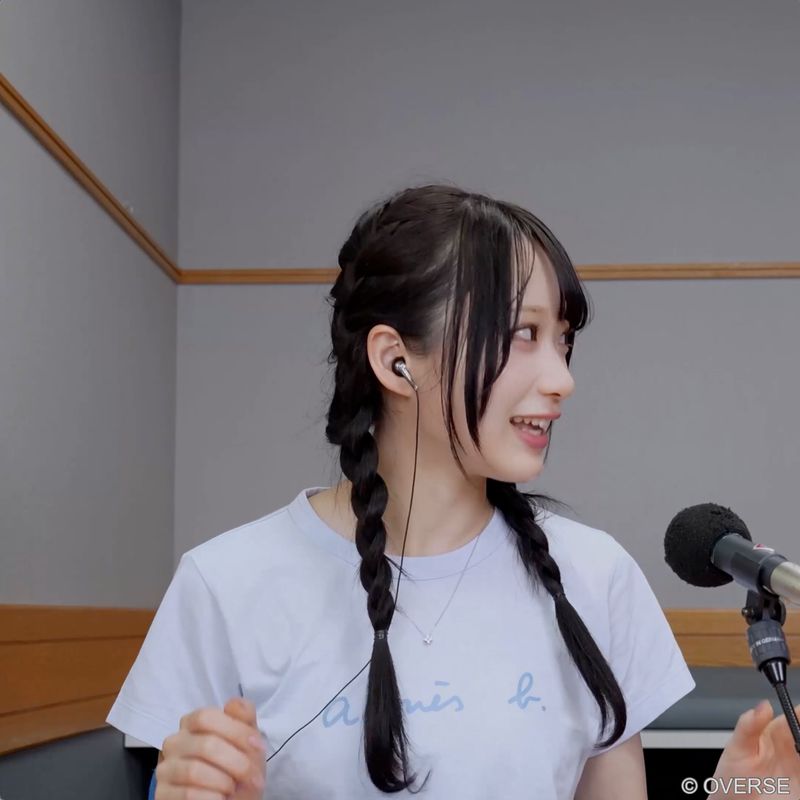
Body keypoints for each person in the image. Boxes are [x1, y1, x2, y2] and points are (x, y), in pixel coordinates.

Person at [106, 184, 800, 799]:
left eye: (562, 340)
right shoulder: (223, 586)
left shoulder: (596, 577)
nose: (562, 379)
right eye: (524, 334)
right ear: (396, 361)